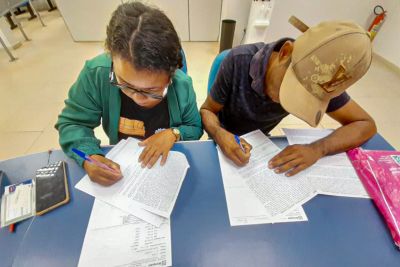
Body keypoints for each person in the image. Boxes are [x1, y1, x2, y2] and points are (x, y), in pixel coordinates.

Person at [200, 17, 377, 177]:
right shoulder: (238, 60)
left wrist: (318, 149)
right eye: (290, 89)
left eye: (307, 100)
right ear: (285, 53)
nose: (284, 102)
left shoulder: (323, 80)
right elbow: (208, 110)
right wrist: (219, 133)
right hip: (223, 141)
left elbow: (365, 125)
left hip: (261, 146)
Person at [56, 2, 203, 186]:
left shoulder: (182, 86)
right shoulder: (96, 74)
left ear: (171, 75)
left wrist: (174, 133)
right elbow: (73, 123)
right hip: (124, 169)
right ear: (111, 58)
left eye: (152, 91)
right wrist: (89, 155)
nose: (138, 98)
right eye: (125, 84)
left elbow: (194, 127)